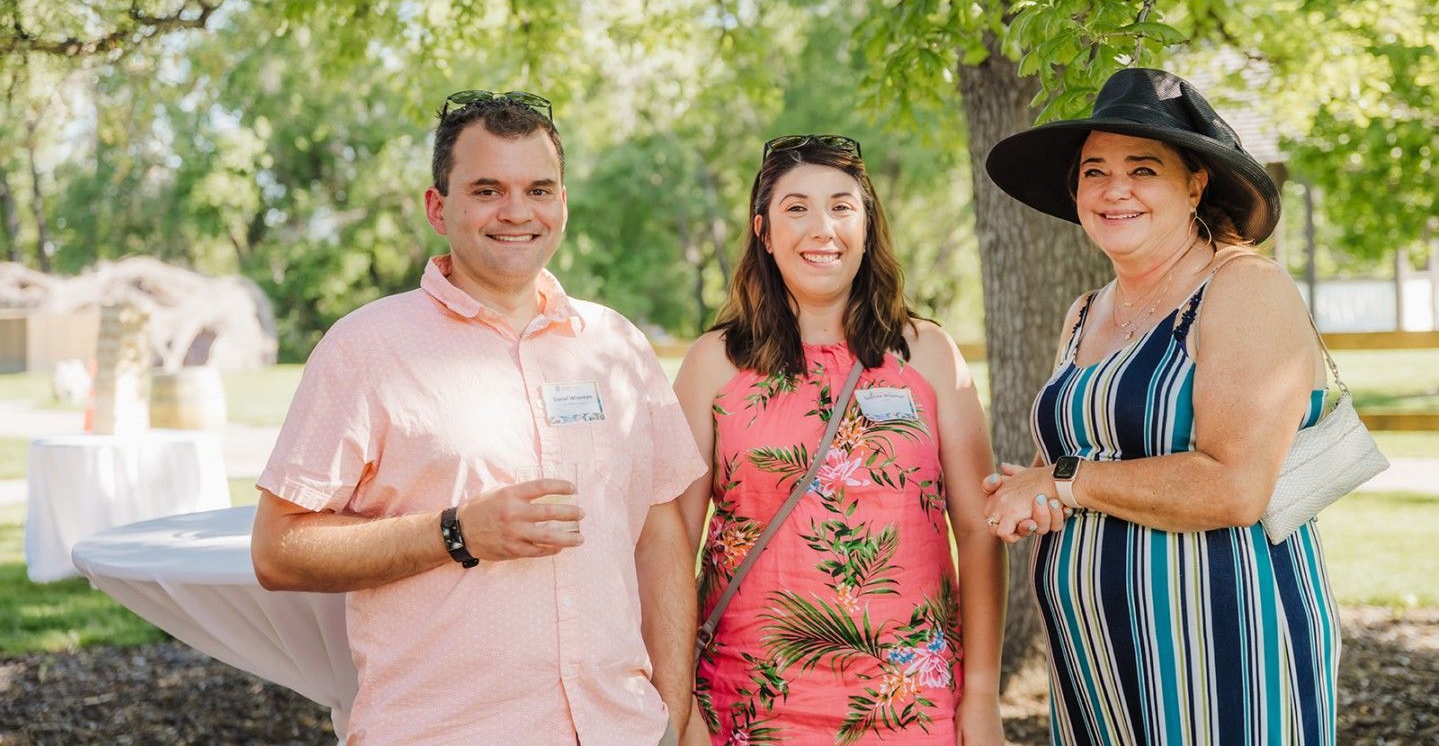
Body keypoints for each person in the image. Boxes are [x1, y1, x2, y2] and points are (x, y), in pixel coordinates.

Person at [250, 90, 705, 746]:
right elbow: (277, 550)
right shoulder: (365, 348)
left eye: (539, 189)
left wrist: (672, 712)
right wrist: (456, 533)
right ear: (438, 207)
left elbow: (658, 533)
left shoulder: (616, 344)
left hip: (621, 727)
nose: (516, 212)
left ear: (562, 204)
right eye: (488, 190)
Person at [981, 68, 1340, 745]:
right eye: (1094, 172)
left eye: (1142, 169)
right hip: (1093, 663)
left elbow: (1233, 487)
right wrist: (1026, 493)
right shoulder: (1083, 312)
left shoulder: (1241, 290)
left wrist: (1064, 481)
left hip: (1220, 646)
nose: (1114, 189)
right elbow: (1064, 466)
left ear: (1193, 185)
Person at [675, 134, 1006, 746]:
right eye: (796, 208)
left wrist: (981, 695)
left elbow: (979, 534)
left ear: (867, 225)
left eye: (841, 206)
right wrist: (678, 704)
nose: (821, 227)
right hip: (746, 703)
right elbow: (670, 543)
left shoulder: (929, 355)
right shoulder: (712, 365)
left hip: (910, 703)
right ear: (764, 232)